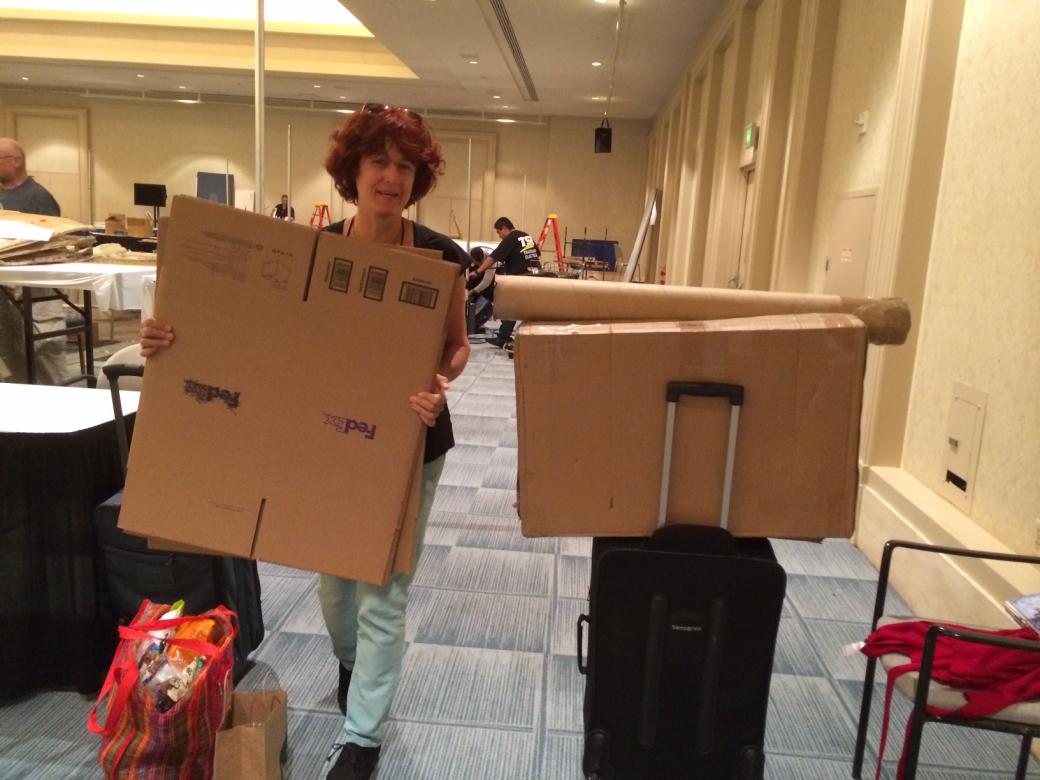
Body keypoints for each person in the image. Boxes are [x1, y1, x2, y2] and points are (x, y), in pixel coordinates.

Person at [139, 104, 470, 780]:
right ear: (353, 171)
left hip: (411, 439)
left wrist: (438, 379)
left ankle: (364, 739)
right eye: (378, 162)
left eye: (405, 166)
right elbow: (256, 335)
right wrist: (171, 340)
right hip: (324, 444)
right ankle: (350, 663)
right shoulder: (318, 255)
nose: (391, 177)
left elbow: (458, 346)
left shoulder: (441, 258)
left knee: (385, 589)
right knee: (335, 589)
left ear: (418, 179)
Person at [0, 137, 67, 385]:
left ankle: (59, 398)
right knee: (13, 350)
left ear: (16, 161)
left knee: (45, 346)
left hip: (34, 287)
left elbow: (49, 243)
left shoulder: (38, 197)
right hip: (6, 285)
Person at [469, 216, 538, 347]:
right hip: (534, 276)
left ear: (504, 228)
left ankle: (503, 337)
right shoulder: (526, 236)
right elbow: (536, 253)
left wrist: (478, 272)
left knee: (510, 304)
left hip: (520, 277)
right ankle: (507, 335)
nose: (499, 235)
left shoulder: (510, 238)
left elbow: (492, 258)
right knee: (520, 307)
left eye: (498, 232)